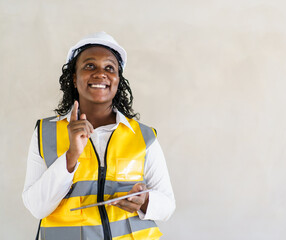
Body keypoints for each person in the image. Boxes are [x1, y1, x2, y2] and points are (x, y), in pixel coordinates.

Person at [22, 32, 175, 240]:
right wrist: (71, 156)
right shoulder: (45, 133)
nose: (101, 74)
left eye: (109, 68)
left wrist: (145, 200)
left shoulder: (143, 136)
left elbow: (167, 204)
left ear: (118, 80)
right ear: (74, 79)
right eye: (90, 66)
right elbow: (37, 208)